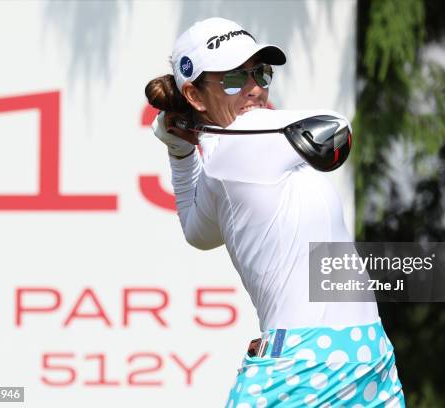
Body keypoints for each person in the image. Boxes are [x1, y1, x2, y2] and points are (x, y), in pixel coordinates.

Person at [145, 17, 405, 408]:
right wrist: (188, 146)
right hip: (329, 362)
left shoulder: (227, 155)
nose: (254, 90)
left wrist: (181, 150)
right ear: (195, 96)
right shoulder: (240, 146)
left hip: (343, 358)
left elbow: (198, 233)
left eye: (261, 74)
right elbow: (333, 128)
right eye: (233, 79)